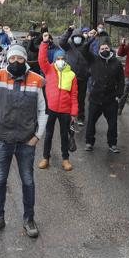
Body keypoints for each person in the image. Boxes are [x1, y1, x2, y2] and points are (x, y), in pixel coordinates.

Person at [0, 41, 47, 239]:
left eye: (19, 58)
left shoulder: (36, 80)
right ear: (8, 59)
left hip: (25, 141)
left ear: (25, 60)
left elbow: (42, 111)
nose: (16, 61)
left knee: (28, 181)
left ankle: (29, 219)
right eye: (12, 58)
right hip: (2, 139)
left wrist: (37, 136)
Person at [37, 33, 78, 171]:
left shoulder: (71, 75)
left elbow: (74, 95)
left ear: (66, 60)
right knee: (48, 134)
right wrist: (44, 43)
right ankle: (45, 158)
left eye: (62, 58)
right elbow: (42, 60)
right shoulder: (49, 70)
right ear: (54, 60)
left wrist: (74, 113)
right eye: (58, 59)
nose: (60, 60)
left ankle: (65, 159)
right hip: (51, 109)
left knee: (64, 135)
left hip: (65, 111)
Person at [81, 35, 125, 153]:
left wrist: (118, 95)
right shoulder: (93, 59)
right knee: (91, 122)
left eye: (106, 48)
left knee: (112, 124)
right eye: (102, 49)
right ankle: (89, 142)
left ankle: (112, 144)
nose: (104, 50)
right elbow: (84, 50)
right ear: (98, 50)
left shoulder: (117, 63)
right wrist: (90, 39)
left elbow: (121, 80)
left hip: (110, 99)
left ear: (110, 49)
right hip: (95, 98)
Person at [59, 25, 89, 125]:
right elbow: (61, 42)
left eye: (79, 37)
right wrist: (69, 30)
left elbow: (91, 60)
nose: (77, 38)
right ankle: (68, 116)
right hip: (70, 78)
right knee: (68, 98)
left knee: (81, 99)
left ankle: (80, 117)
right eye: (75, 36)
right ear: (72, 38)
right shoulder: (68, 46)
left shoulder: (85, 47)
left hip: (82, 78)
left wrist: (88, 72)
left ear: (82, 38)